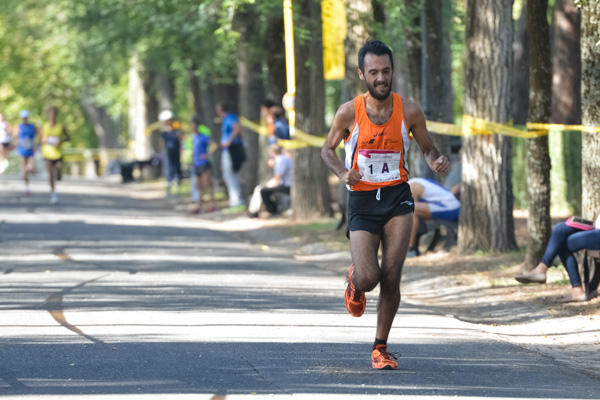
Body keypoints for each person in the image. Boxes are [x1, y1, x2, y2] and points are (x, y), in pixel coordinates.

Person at [321, 40, 450, 370]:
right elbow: (327, 150)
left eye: (386, 71)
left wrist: (436, 160)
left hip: (398, 198)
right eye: (374, 72)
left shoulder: (409, 110)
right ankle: (355, 280)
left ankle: (381, 348)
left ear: (393, 72)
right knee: (369, 277)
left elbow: (428, 149)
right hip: (362, 200)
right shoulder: (349, 111)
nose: (381, 78)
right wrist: (342, 173)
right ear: (362, 74)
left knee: (392, 277)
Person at [514, 214, 600, 302]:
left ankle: (576, 288)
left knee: (562, 242)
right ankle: (542, 269)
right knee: (560, 229)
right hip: (595, 228)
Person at [407, 178, 461, 257]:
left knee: (409, 208)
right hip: (450, 206)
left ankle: (410, 249)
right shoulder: (414, 182)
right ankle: (413, 247)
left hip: (452, 208)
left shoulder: (411, 187)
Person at [248, 144, 293, 218]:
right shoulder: (281, 159)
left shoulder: (280, 160)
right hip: (285, 185)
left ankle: (272, 211)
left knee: (263, 191)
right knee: (261, 189)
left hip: (287, 186)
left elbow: (277, 178)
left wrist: (266, 186)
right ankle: (254, 211)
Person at [215, 103, 245, 209]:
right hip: (227, 149)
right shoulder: (227, 119)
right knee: (228, 175)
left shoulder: (230, 118)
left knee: (231, 174)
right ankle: (234, 200)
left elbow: (237, 128)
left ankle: (237, 201)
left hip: (231, 149)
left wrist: (229, 140)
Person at [40, 107, 70, 204]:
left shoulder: (61, 127)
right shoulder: (44, 126)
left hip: (58, 153)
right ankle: (53, 193)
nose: (52, 116)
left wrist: (61, 141)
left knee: (59, 175)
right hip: (47, 153)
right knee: (51, 174)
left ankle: (57, 179)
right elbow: (40, 140)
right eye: (50, 114)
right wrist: (43, 140)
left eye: (54, 114)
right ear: (48, 115)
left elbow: (68, 137)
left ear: (56, 115)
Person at [191, 114, 217, 214]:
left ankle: (212, 204)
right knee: (198, 185)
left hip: (204, 163)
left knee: (207, 183)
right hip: (196, 164)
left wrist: (207, 155)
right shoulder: (194, 137)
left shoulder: (203, 137)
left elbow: (214, 145)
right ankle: (199, 205)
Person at [159, 110, 182, 196]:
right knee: (169, 167)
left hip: (176, 151)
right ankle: (169, 183)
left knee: (177, 166)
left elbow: (180, 138)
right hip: (169, 152)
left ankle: (177, 182)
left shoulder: (176, 129)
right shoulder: (164, 131)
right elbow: (163, 141)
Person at [16, 110, 37, 197]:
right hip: (22, 150)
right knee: (24, 170)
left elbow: (36, 136)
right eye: (23, 118)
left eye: (26, 118)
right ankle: (27, 187)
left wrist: (36, 145)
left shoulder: (32, 126)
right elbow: (15, 137)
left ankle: (31, 170)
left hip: (30, 150)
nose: (24, 119)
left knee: (31, 168)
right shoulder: (18, 127)